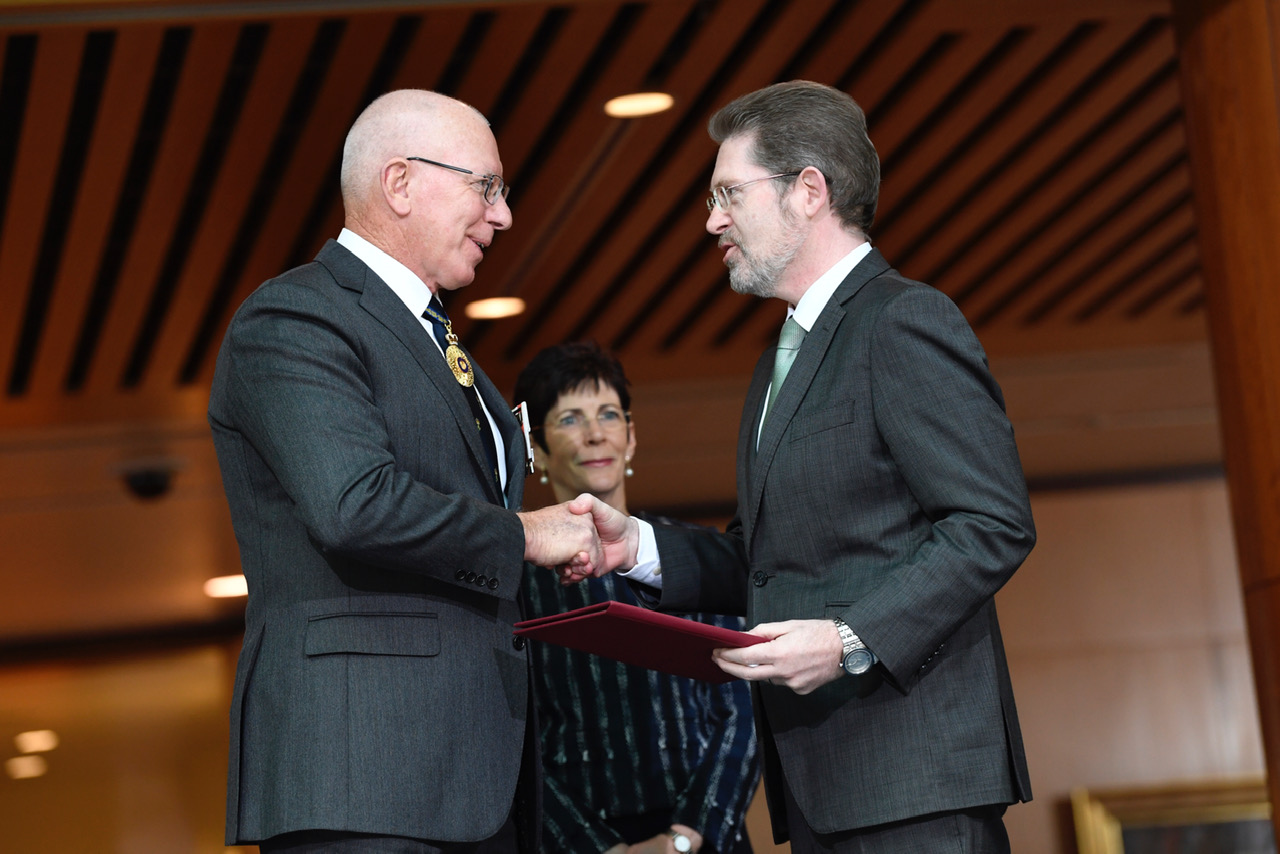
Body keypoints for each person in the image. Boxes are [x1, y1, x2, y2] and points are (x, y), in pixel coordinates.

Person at [577, 80, 1037, 853]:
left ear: (809, 192)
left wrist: (849, 637)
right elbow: (772, 562)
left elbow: (992, 524)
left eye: (729, 193)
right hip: (826, 794)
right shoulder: (778, 358)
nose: (712, 219)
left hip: (914, 787)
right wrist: (640, 548)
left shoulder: (904, 321)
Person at [208, 89, 614, 853]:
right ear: (400, 183)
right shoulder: (295, 318)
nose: (504, 215)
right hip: (363, 775)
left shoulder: (434, 338)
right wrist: (524, 533)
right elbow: (354, 505)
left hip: (474, 781)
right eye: (486, 187)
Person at [513, 341, 760, 854]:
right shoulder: (517, 582)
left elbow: (744, 707)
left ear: (630, 438)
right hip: (583, 838)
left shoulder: (694, 557)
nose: (595, 433)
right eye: (570, 420)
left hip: (703, 836)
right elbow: (513, 739)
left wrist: (684, 838)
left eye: (608, 414)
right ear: (538, 450)